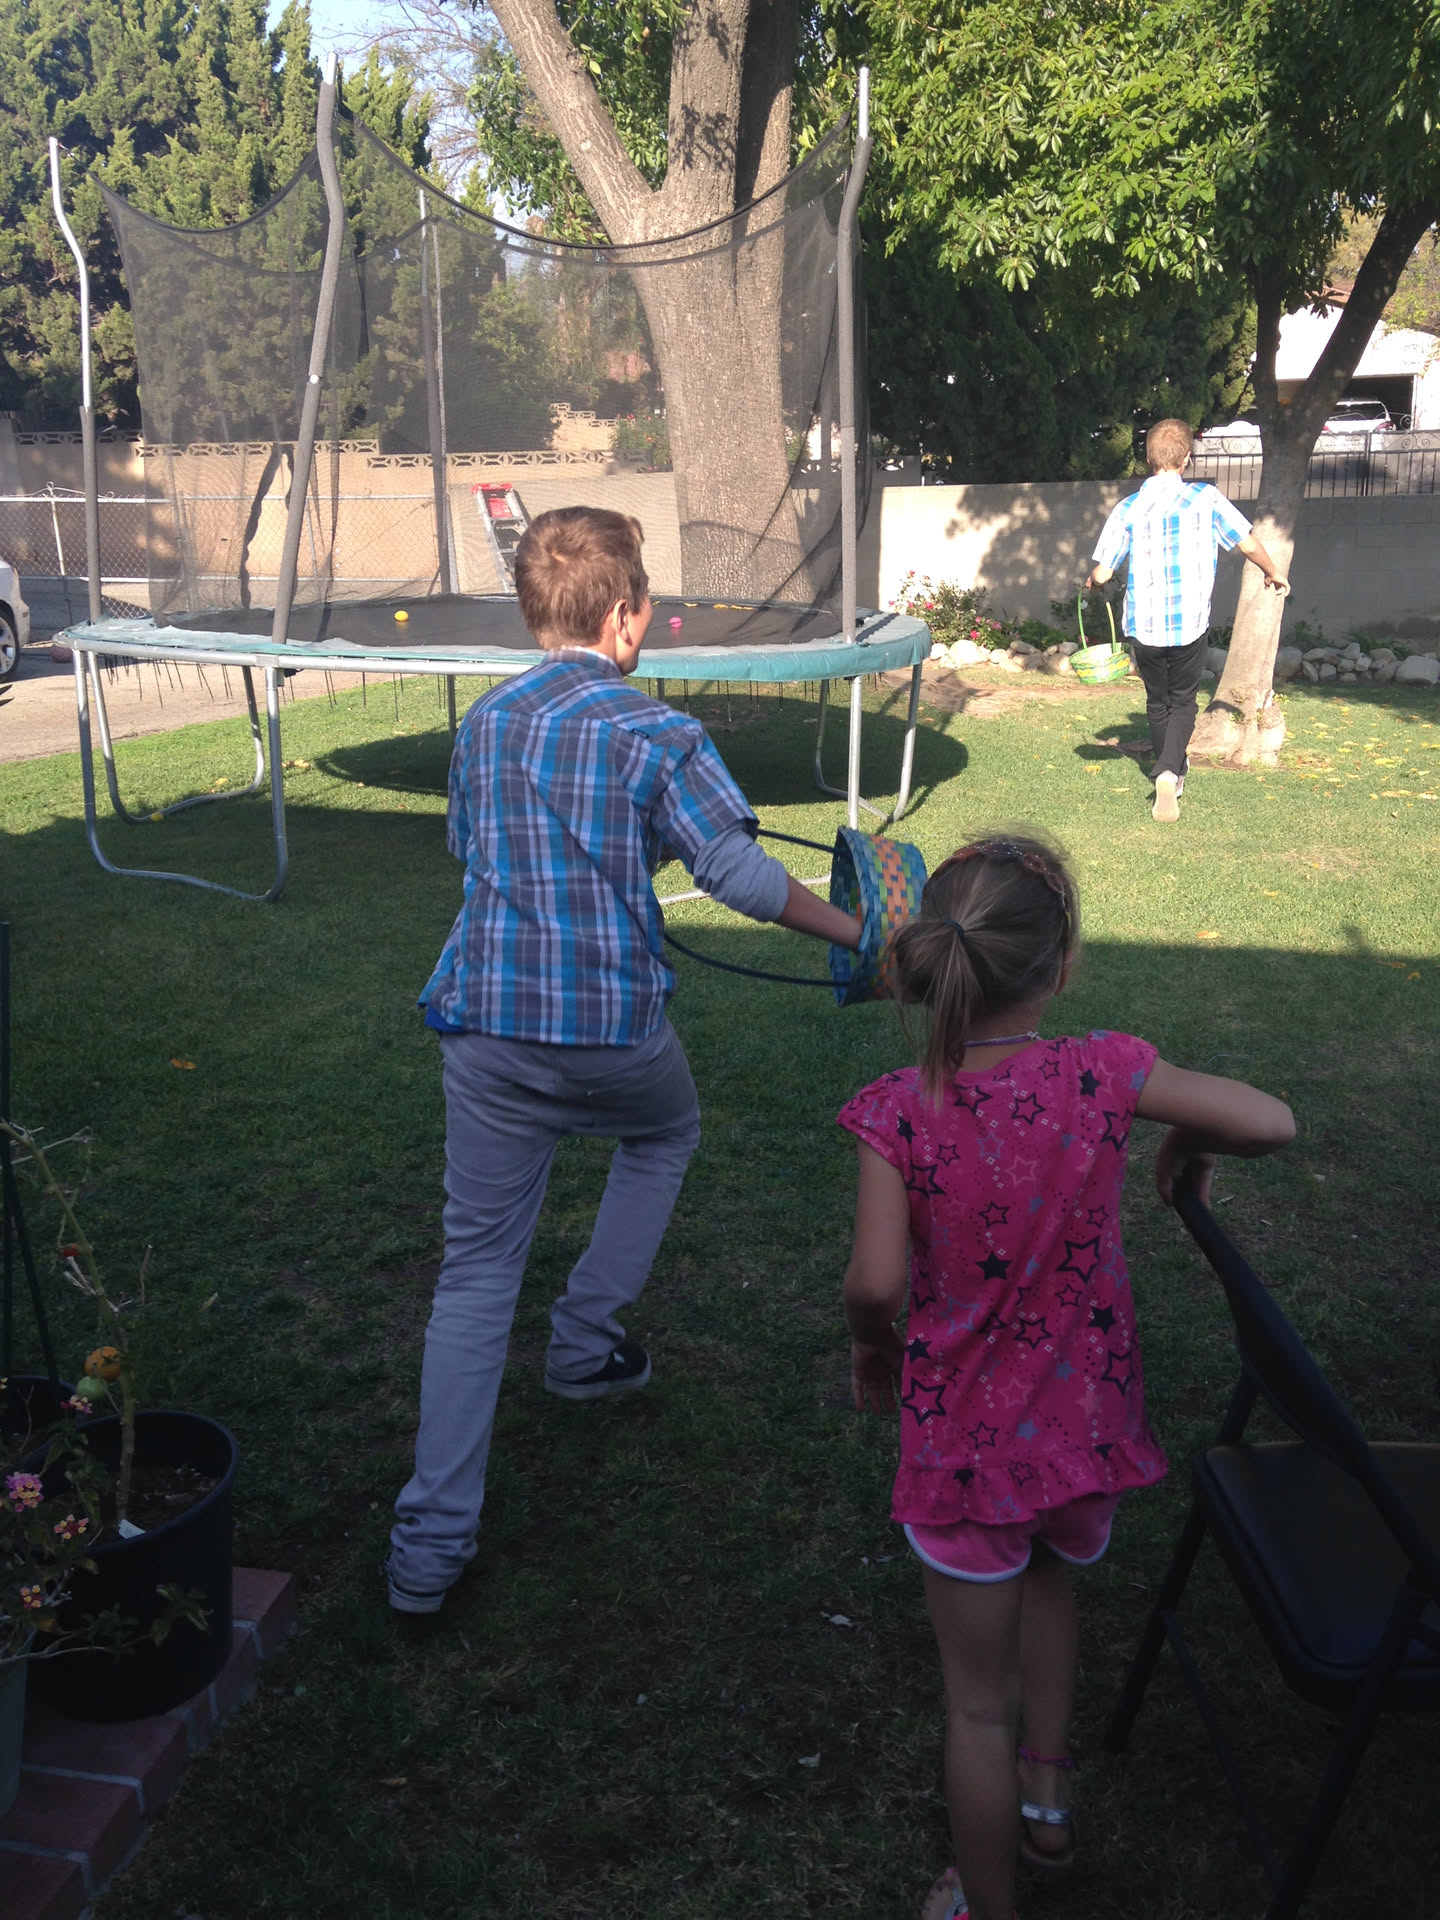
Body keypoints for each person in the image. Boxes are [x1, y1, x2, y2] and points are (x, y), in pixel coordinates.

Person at [388, 505, 862, 1615]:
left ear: (534, 613)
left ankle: (428, 1549)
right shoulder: (659, 732)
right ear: (625, 617)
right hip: (610, 1028)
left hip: (486, 1022)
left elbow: (470, 845)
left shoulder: (485, 722)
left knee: (475, 1274)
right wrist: (864, 935)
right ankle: (583, 1343)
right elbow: (736, 876)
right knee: (665, 1132)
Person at [837, 833, 1294, 1920]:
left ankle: (990, 1905)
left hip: (965, 1456)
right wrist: (1187, 1137)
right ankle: (1048, 1801)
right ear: (1062, 965)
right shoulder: (1105, 1072)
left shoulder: (897, 1109)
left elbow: (876, 1282)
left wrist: (871, 1342)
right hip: (1083, 1434)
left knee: (974, 1709)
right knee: (1050, 1576)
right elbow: (1272, 1121)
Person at [1086, 417, 1289, 824]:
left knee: (1157, 701)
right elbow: (1247, 543)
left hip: (1144, 626)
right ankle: (1168, 772)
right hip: (1189, 623)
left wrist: (1091, 580)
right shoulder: (1206, 498)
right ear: (1187, 459)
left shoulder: (1128, 508)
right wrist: (1273, 571)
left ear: (1148, 459)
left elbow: (1104, 573)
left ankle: (1170, 769)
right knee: (1182, 701)